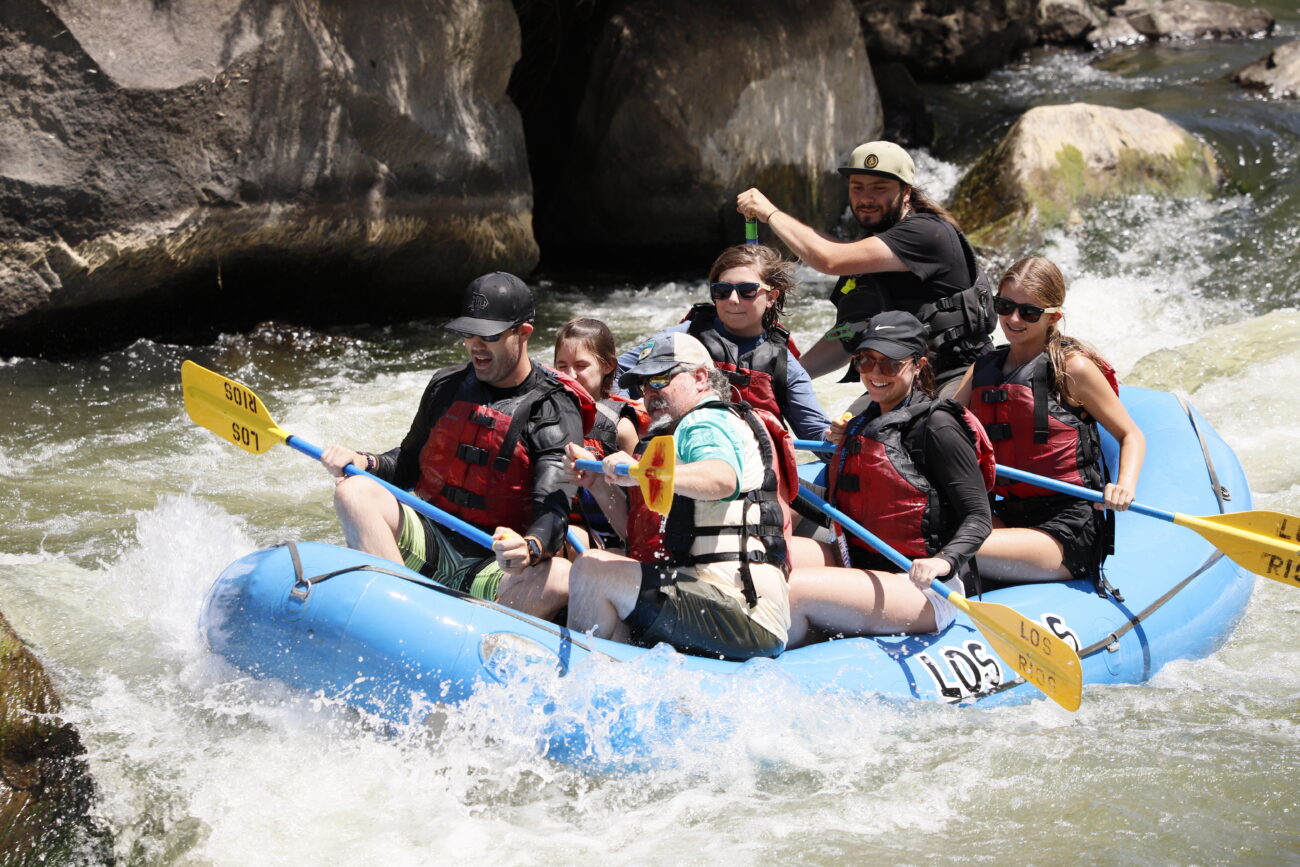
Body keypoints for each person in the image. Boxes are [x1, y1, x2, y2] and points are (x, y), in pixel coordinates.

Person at [318, 272, 590, 620]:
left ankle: (468, 635)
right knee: (354, 491)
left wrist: (530, 548)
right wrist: (365, 460)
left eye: (488, 335)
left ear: (523, 334)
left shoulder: (552, 407)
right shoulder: (446, 386)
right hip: (432, 541)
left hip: (495, 562)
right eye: (468, 333)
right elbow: (408, 465)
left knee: (560, 579)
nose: (476, 344)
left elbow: (554, 507)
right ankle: (399, 613)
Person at [564, 332, 796, 660]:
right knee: (610, 574)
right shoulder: (680, 434)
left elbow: (722, 478)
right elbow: (637, 539)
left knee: (590, 569)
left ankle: (575, 690)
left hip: (741, 613)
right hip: (711, 601)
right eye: (643, 384)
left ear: (700, 377)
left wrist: (637, 471)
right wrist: (599, 485)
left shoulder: (706, 421)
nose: (649, 393)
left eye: (660, 379)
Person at [785, 312, 993, 647]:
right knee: (762, 556)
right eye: (865, 361)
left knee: (795, 589)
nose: (875, 374)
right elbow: (839, 512)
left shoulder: (938, 427)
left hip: (920, 585)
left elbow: (978, 517)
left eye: (890, 364)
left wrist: (943, 561)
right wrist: (779, 475)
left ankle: (779, 663)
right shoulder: (861, 423)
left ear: (917, 365)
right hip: (856, 559)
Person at [735, 140, 994, 394]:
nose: (866, 198)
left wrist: (769, 213)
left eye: (879, 188)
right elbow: (849, 332)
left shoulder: (926, 233)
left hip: (958, 377)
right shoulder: (876, 247)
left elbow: (829, 259)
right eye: (857, 188)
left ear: (906, 193)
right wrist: (785, 378)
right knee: (847, 434)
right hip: (903, 383)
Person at [952, 257, 1145, 587]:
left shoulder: (1073, 370)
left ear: (1053, 317)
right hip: (1006, 514)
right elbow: (937, 431)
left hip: (1067, 526)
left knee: (952, 546)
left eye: (1028, 312)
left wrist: (1124, 485)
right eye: (1005, 305)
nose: (1013, 318)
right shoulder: (983, 368)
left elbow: (1131, 435)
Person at [614, 244, 832, 442]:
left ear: (771, 297)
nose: (733, 300)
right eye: (723, 291)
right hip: (678, 455)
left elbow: (816, 434)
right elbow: (614, 372)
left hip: (750, 472)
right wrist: (627, 419)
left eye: (747, 291)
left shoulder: (785, 366)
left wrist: (836, 434)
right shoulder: (680, 340)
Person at [554, 318, 648, 549]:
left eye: (581, 366)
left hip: (609, 538)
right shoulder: (543, 415)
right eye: (562, 366)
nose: (570, 376)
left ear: (608, 366)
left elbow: (637, 504)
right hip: (556, 525)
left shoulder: (621, 427)